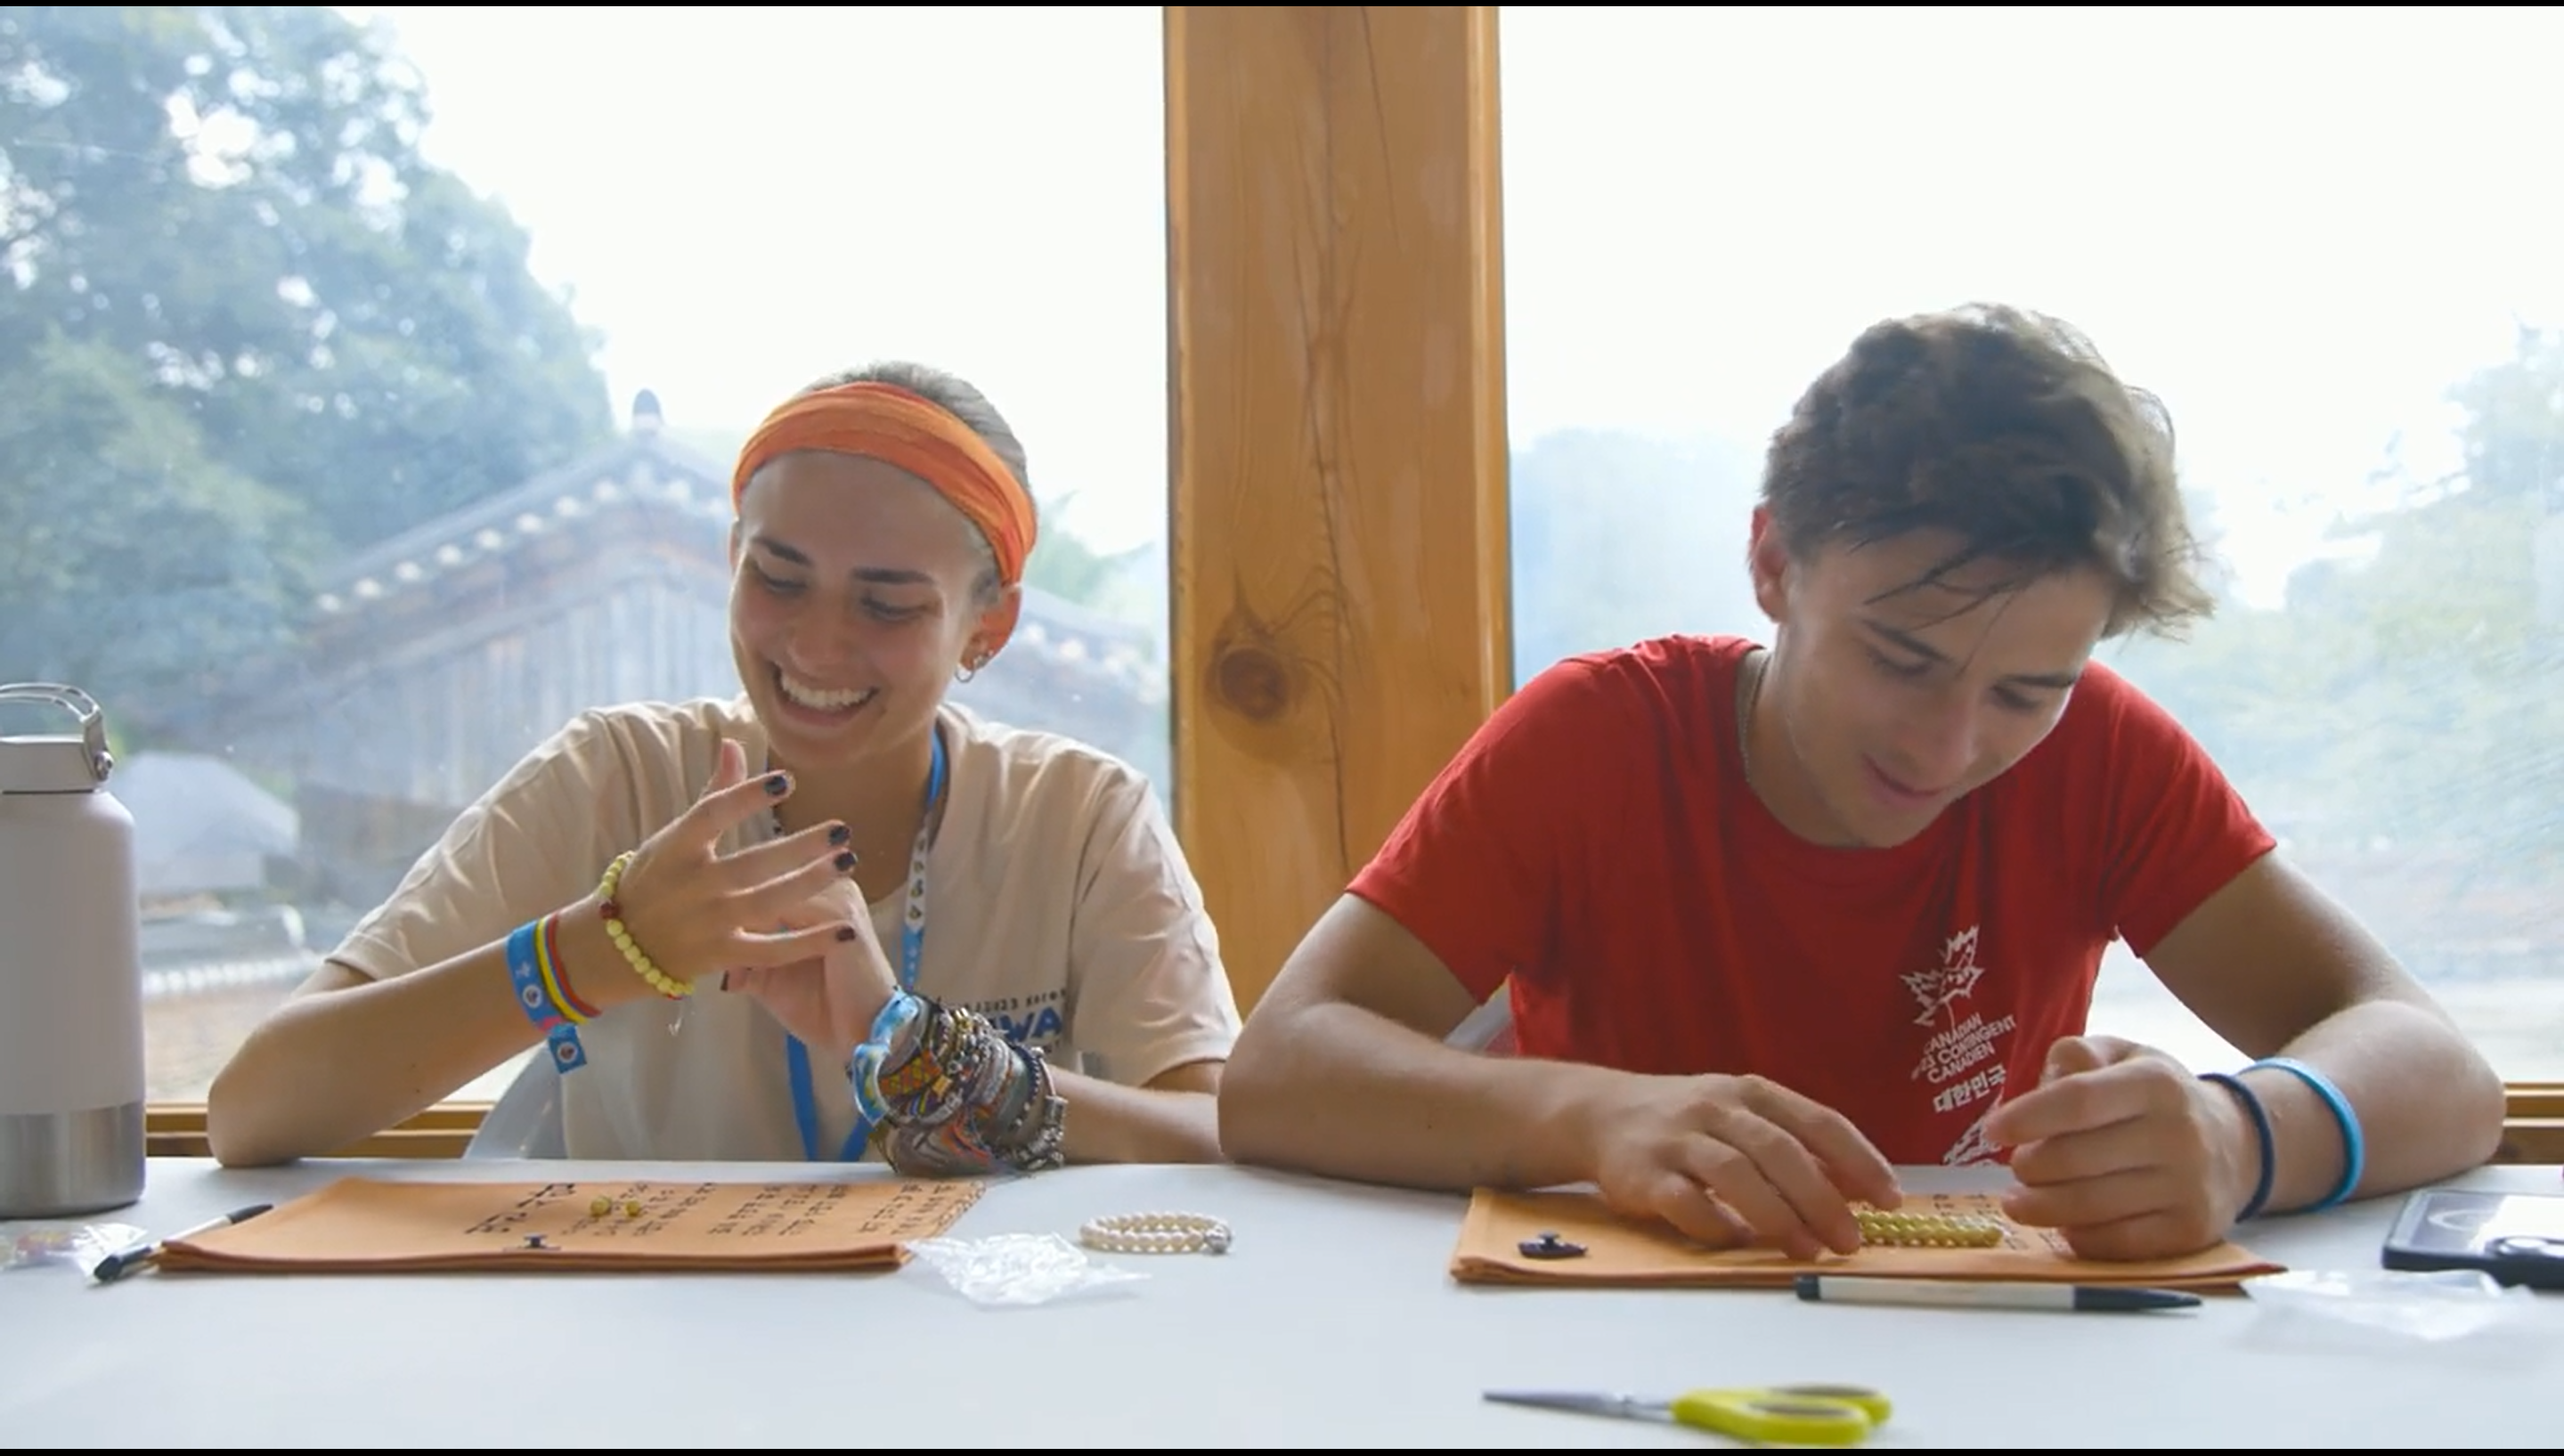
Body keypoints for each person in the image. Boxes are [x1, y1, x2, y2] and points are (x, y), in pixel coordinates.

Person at [1217, 304, 2507, 1262]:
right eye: (1899, 659)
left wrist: (2238, 1136)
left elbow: (2440, 1071)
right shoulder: (1597, 738)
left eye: (2023, 691)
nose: (1946, 751)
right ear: (1772, 565)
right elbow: (1276, 1072)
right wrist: (1585, 1116)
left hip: (1983, 1345)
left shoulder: (2099, 752)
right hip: (1620, 1334)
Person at [208, 362, 1240, 1172]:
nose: (817, 646)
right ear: (730, 557)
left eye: (886, 605)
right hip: (641, 1334)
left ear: (988, 627)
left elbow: (1214, 1136)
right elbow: (254, 1109)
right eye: (777, 579)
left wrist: (918, 1047)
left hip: (979, 1337)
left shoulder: (1076, 816)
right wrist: (592, 955)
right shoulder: (612, 777)